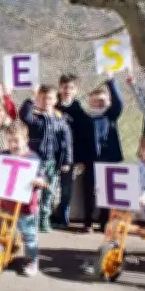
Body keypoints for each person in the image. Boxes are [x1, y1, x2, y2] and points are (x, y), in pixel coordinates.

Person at [84, 134, 145, 291]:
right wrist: (103, 188)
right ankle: (104, 257)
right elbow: (115, 179)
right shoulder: (133, 166)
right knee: (113, 225)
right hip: (136, 207)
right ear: (142, 151)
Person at [0, 121, 47, 276]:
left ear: (25, 139)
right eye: (9, 140)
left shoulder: (33, 158)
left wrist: (39, 181)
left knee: (29, 235)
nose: (13, 144)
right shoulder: (3, 155)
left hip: (25, 206)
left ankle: (32, 261)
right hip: (5, 203)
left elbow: (42, 178)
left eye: (16, 140)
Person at [18, 85, 72, 232]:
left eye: (50, 98)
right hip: (35, 162)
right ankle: (32, 221)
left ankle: (44, 220)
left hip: (52, 162)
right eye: (42, 98)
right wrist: (31, 99)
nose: (46, 101)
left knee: (49, 192)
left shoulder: (61, 119)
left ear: (55, 100)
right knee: (35, 192)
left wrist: (67, 161)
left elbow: (67, 142)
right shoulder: (34, 117)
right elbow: (23, 115)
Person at [74, 75, 124, 233]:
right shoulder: (84, 117)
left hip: (109, 159)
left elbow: (119, 103)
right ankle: (88, 221)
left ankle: (104, 221)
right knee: (89, 191)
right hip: (90, 160)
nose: (98, 103)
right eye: (95, 100)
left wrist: (111, 82)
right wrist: (79, 159)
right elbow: (78, 140)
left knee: (107, 192)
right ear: (89, 101)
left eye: (101, 101)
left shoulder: (110, 115)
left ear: (107, 101)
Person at [53, 73, 84, 229]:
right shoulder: (53, 106)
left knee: (66, 189)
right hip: (52, 154)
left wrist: (80, 159)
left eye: (71, 87)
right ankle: (47, 216)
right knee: (50, 187)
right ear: (60, 88)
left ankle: (62, 218)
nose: (67, 90)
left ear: (76, 90)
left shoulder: (79, 110)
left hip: (70, 157)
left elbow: (82, 137)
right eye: (65, 87)